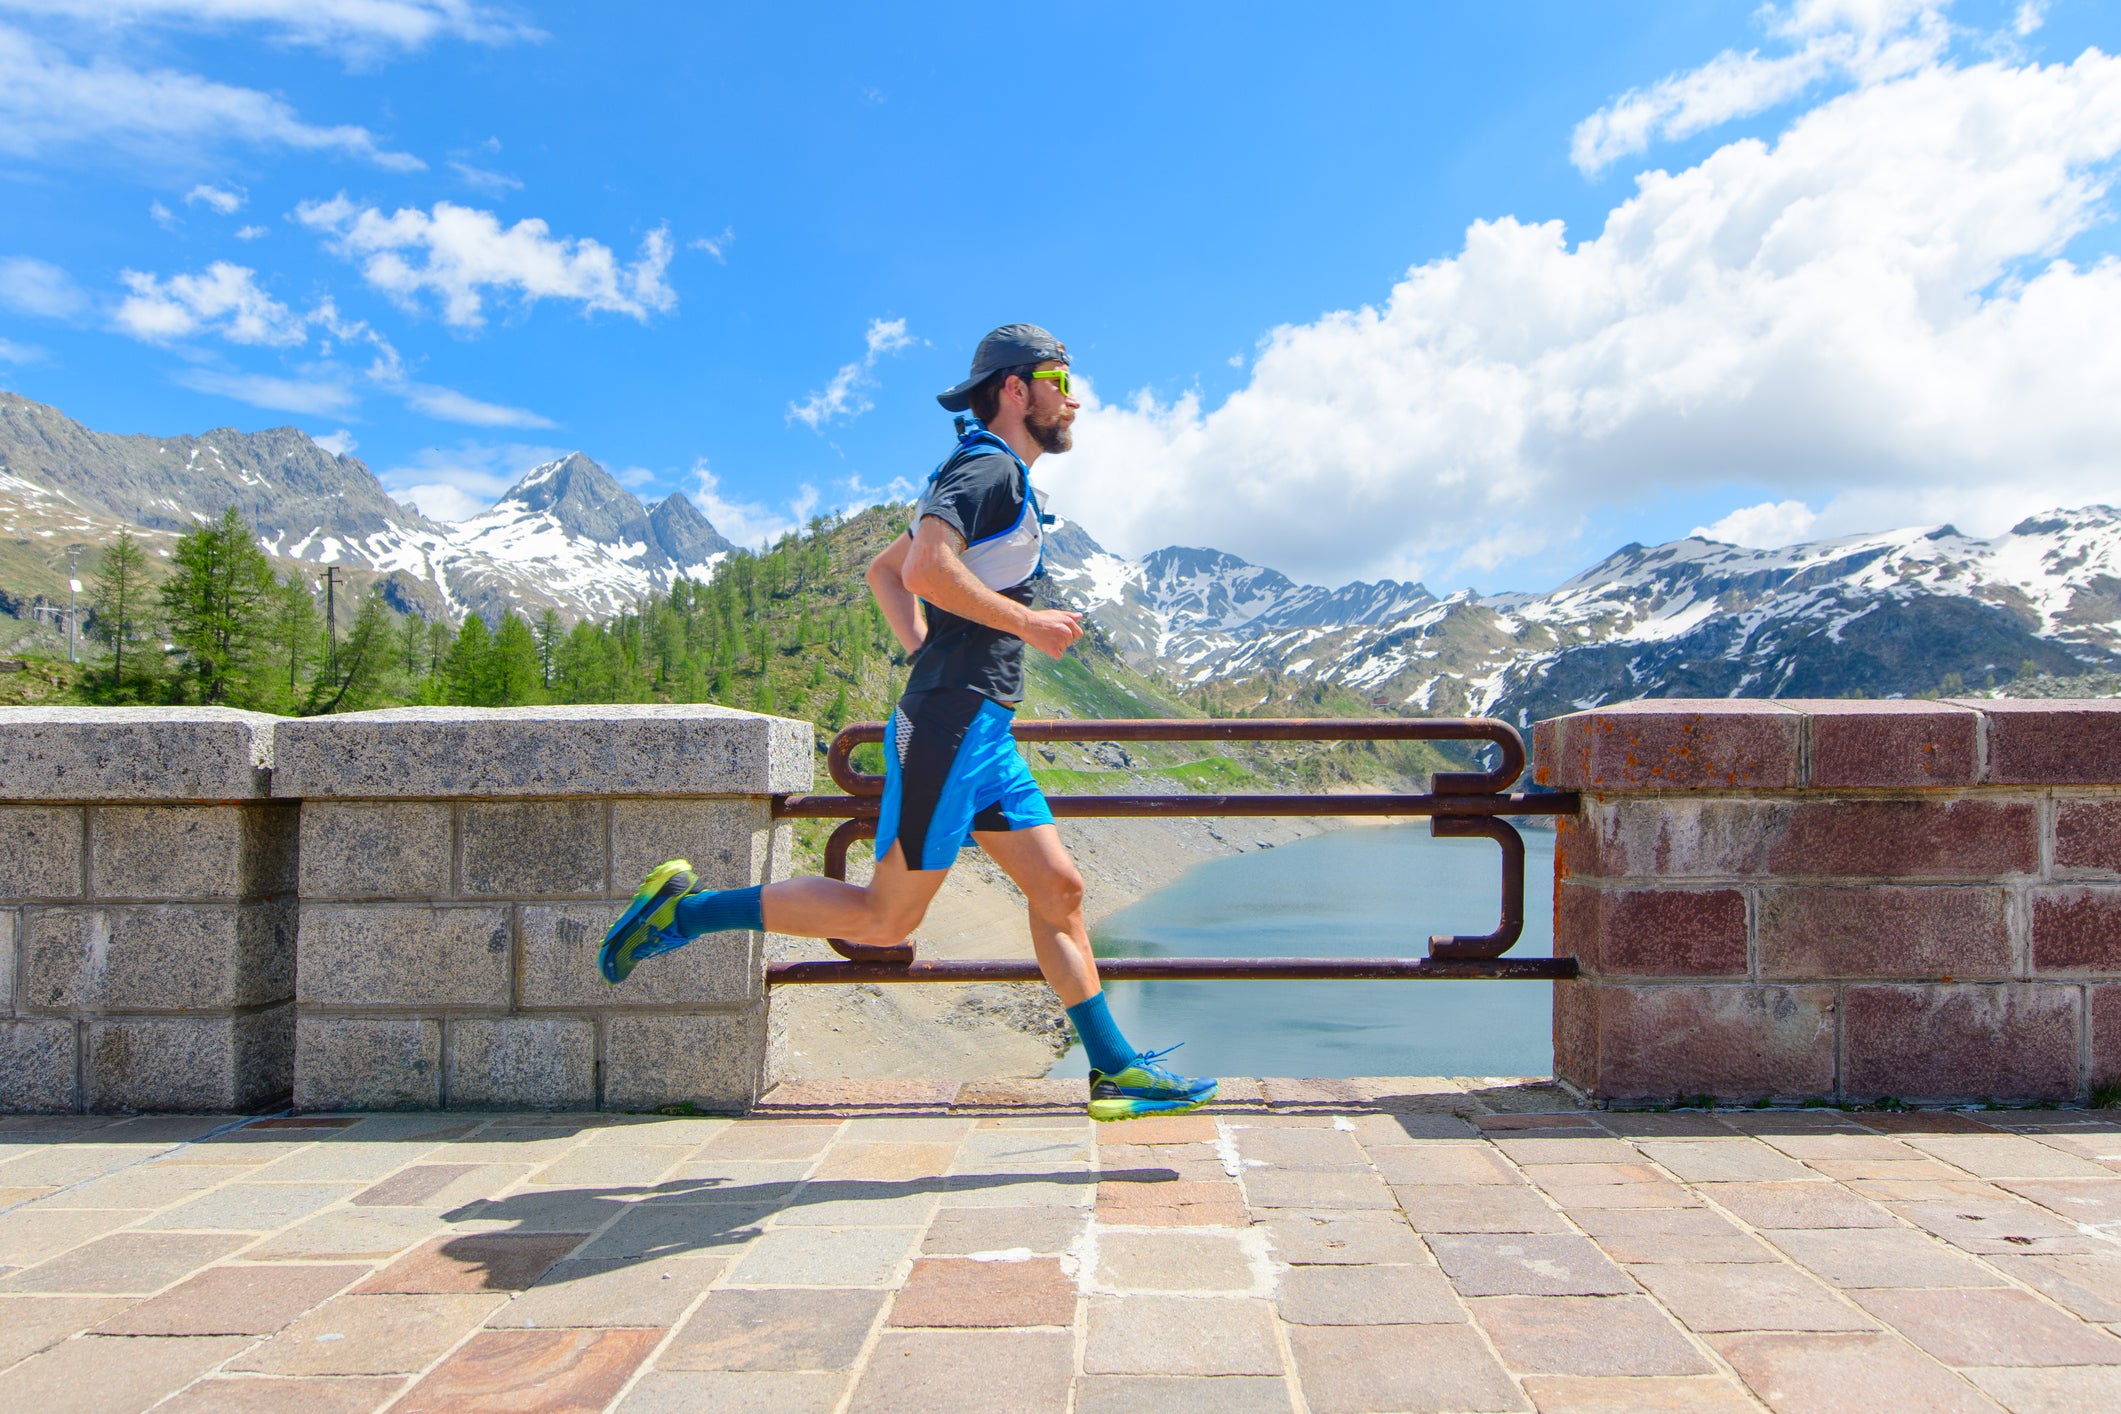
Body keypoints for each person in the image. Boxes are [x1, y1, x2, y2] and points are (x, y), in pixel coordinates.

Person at [599, 323, 1218, 1122]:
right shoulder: (985, 465)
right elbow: (923, 567)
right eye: (1058, 378)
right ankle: (683, 913)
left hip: (980, 728)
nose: (1073, 396)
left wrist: (926, 643)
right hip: (951, 724)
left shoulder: (1005, 480)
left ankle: (1114, 1071)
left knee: (1059, 888)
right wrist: (1023, 628)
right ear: (1013, 387)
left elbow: (884, 571)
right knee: (884, 917)